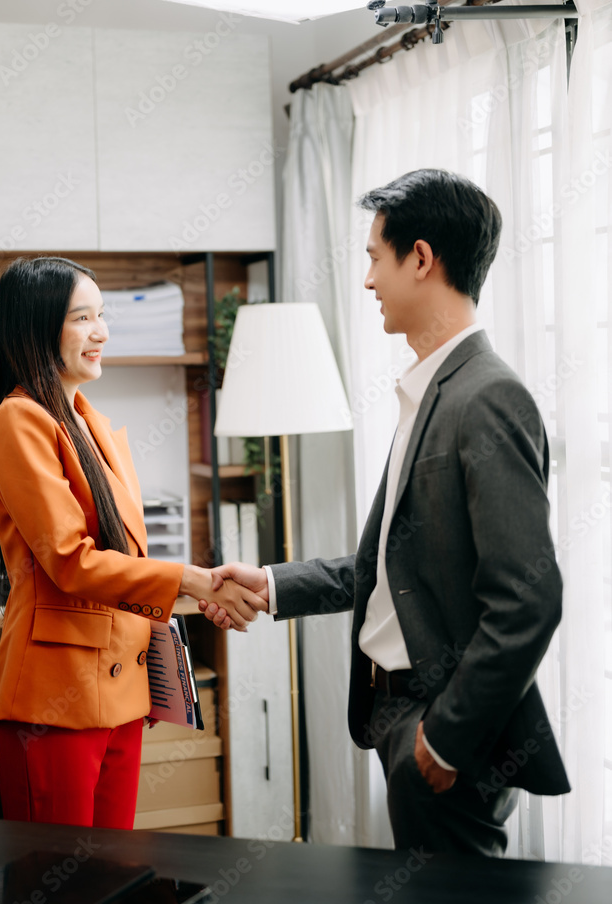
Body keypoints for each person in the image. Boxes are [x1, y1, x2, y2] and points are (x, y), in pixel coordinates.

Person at [199, 169, 570, 855]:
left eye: (374, 257)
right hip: (399, 717)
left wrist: (446, 737)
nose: (367, 280)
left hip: (439, 731)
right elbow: (393, 565)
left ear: (421, 259)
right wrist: (273, 584)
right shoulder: (432, 391)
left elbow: (528, 599)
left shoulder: (487, 397)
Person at [0, 255, 262, 829]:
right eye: (81, 318)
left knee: (111, 875)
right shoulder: (19, 420)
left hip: (122, 690)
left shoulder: (90, 420)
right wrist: (189, 579)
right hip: (54, 699)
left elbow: (126, 561)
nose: (101, 332)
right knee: (56, 880)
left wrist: (158, 662)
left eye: (102, 315)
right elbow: (72, 562)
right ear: (37, 328)